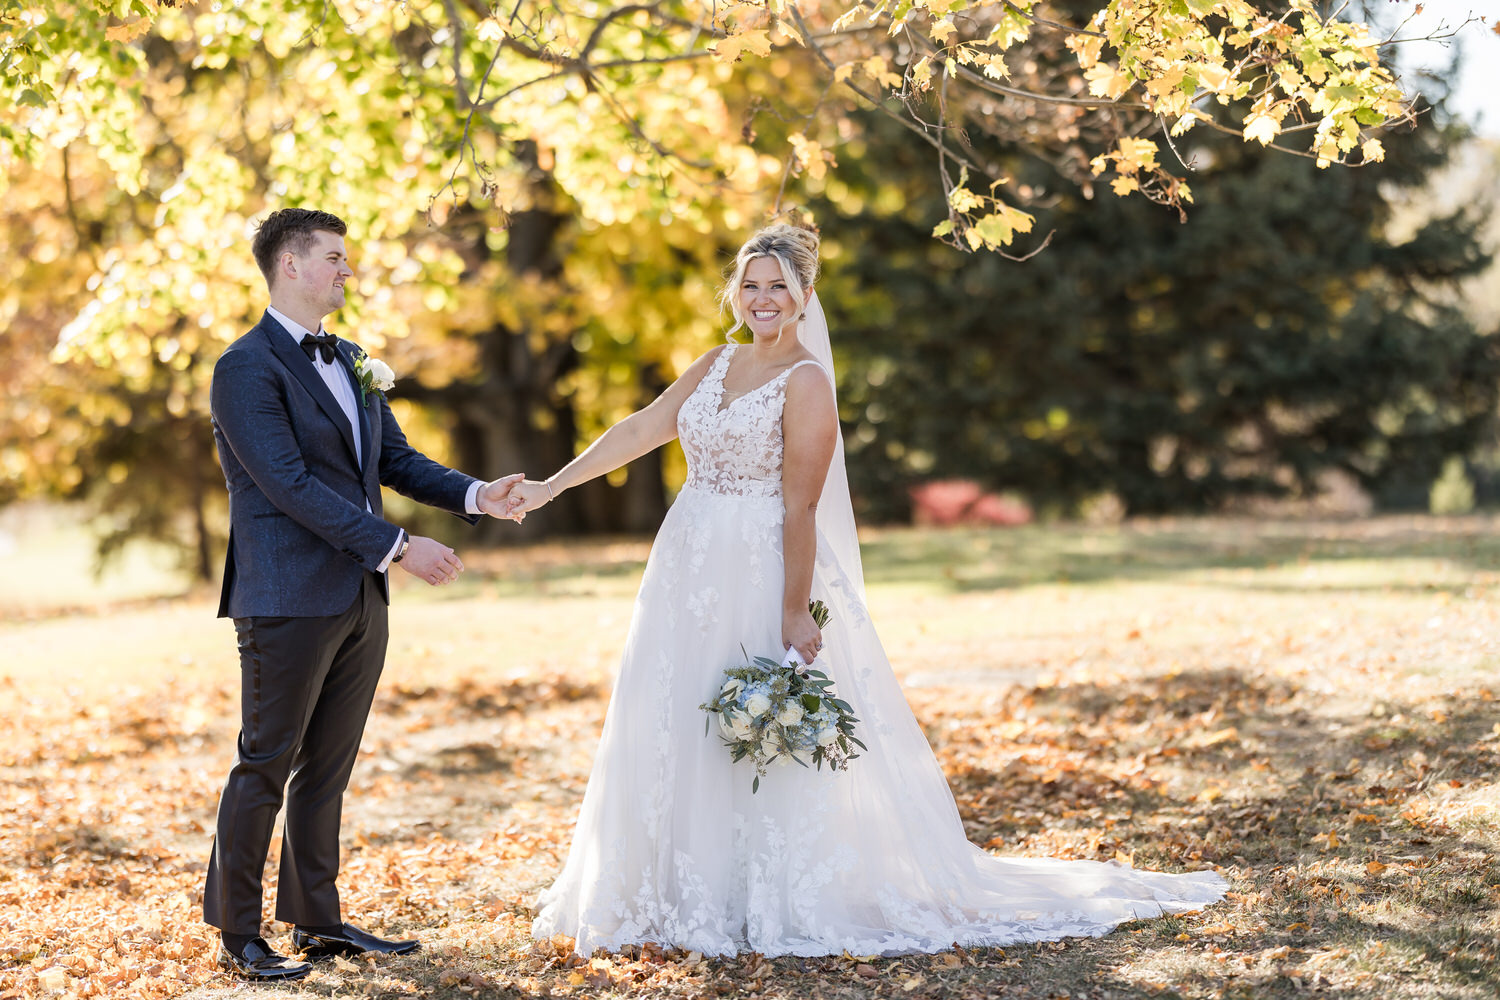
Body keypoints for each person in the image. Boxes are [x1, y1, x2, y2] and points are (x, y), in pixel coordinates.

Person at [508, 224, 1227, 957]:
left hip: (759, 568)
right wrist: (552, 485)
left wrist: (793, 609)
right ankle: (673, 885)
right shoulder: (715, 364)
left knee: (749, 718)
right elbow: (642, 428)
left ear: (803, 298)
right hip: (685, 563)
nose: (763, 299)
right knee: (673, 710)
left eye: (777, 287)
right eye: (751, 285)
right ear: (736, 294)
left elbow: (801, 506)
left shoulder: (808, 382)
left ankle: (765, 892)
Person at [205, 208, 522, 981]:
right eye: (335, 259)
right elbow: (287, 484)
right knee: (266, 762)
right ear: (289, 265)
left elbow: (397, 461)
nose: (348, 272)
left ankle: (317, 919)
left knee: (328, 766)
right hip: (285, 596)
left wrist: (481, 495)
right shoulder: (244, 368)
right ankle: (239, 934)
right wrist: (399, 546)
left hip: (358, 597)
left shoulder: (350, 358)